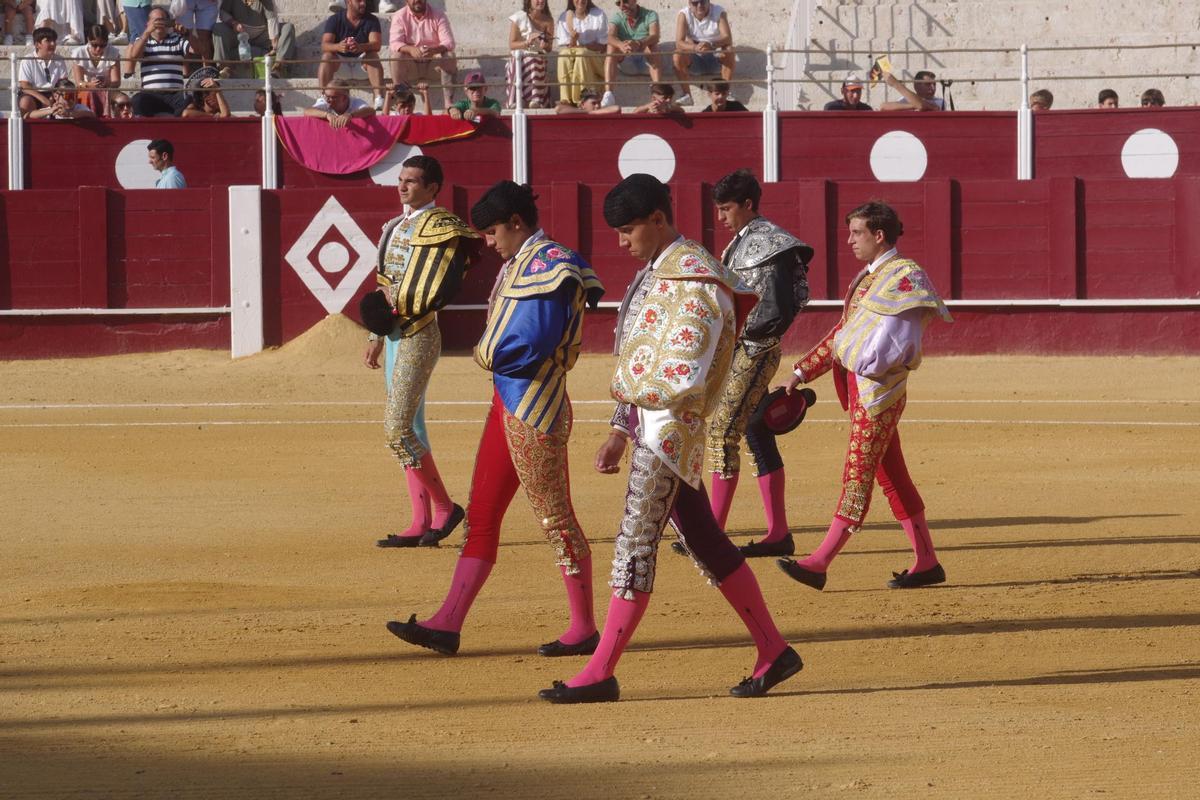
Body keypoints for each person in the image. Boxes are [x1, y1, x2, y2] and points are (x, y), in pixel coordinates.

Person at [538, 174, 802, 704]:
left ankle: (601, 669)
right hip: (651, 426)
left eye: (629, 228)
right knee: (706, 540)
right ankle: (774, 650)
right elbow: (640, 355)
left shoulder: (699, 282)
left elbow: (683, 371)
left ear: (659, 219)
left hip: (670, 431)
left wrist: (634, 416)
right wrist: (621, 426)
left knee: (635, 543)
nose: (621, 241)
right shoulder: (660, 275)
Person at [387, 181, 605, 659]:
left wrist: (486, 355)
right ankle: (448, 623)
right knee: (481, 514)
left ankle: (585, 626)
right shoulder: (521, 262)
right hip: (505, 403)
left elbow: (535, 342)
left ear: (517, 224)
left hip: (536, 406)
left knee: (555, 516)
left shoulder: (551, 265)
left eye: (491, 232)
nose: (488, 242)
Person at [777, 200, 952, 591]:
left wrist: (865, 367)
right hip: (862, 390)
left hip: (878, 393)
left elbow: (898, 346)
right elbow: (843, 334)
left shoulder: (905, 275)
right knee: (894, 478)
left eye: (857, 233)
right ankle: (927, 561)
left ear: (879, 235)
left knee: (857, 473)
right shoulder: (869, 277)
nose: (850, 240)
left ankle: (820, 562)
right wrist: (802, 371)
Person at [364, 156, 477, 550]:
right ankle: (419, 519)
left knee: (399, 427)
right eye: (401, 179)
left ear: (433, 188)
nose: (403, 186)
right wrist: (375, 335)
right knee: (410, 428)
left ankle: (444, 509)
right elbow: (386, 282)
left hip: (418, 332)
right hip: (394, 335)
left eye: (412, 181)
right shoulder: (394, 226)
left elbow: (434, 287)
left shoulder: (441, 226)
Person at [702, 169, 813, 558]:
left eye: (726, 208)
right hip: (741, 347)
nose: (721, 217)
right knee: (755, 431)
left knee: (721, 433)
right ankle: (778, 533)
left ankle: (711, 535)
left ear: (748, 205)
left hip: (753, 348)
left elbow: (779, 306)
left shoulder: (770, 243)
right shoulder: (745, 241)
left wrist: (745, 341)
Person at [388, 0, 458, 111]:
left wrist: (434, 50)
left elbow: (449, 42)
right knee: (396, 56)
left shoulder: (438, 14)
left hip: (433, 65)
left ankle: (448, 103)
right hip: (411, 66)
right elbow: (394, 43)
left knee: (449, 55)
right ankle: (402, 101)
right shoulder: (399, 16)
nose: (417, 0)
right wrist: (410, 49)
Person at [127, 5, 193, 118]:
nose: (159, 23)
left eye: (162, 20)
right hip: (151, 94)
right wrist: (147, 32)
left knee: (191, 100)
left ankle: (175, 121)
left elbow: (196, 50)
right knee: (137, 100)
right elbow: (134, 55)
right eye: (155, 20)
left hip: (175, 94)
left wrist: (187, 33)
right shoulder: (143, 41)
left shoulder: (177, 39)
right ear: (148, 23)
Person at [318, 0, 384, 111]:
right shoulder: (335, 19)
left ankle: (378, 97)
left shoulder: (372, 19)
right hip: (340, 64)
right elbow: (325, 45)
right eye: (359, 0)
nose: (363, 3)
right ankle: (323, 98)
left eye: (364, 0)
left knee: (373, 55)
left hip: (361, 63)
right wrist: (338, 47)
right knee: (327, 57)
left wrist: (360, 47)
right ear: (348, 2)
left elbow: (376, 45)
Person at [212, 0, 295, 78]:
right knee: (219, 28)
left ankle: (278, 67)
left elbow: (272, 20)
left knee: (288, 28)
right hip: (238, 34)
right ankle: (225, 68)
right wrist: (234, 23)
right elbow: (223, 12)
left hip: (262, 35)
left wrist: (274, 44)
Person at [671, 0, 732, 107]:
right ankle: (687, 95)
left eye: (703, 1)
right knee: (677, 54)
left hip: (715, 54)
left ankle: (725, 91)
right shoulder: (684, 14)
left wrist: (711, 44)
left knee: (729, 49)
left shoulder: (719, 11)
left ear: (709, 2)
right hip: (694, 57)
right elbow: (679, 42)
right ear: (689, 4)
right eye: (695, 3)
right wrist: (695, 47)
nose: (700, 5)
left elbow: (727, 37)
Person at [602, 0, 660, 108]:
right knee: (611, 47)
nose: (621, 6)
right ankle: (608, 93)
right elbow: (609, 36)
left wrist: (639, 43)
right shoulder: (618, 16)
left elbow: (655, 36)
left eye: (625, 1)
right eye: (618, 3)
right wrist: (621, 45)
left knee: (653, 46)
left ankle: (658, 91)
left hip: (646, 60)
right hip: (626, 60)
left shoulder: (650, 14)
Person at [554, 0, 605, 105]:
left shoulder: (598, 14)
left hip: (596, 59)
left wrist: (583, 46)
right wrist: (573, 38)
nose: (580, 1)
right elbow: (568, 47)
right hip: (577, 54)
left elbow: (603, 45)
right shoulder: (564, 17)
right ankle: (566, 99)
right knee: (563, 54)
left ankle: (582, 98)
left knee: (581, 53)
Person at [505, 0, 553, 109]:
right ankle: (515, 100)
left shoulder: (548, 21)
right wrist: (527, 42)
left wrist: (544, 45)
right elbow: (512, 44)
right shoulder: (519, 17)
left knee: (534, 59)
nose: (540, 1)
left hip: (537, 56)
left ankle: (535, 99)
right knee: (521, 59)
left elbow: (549, 48)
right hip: (520, 55)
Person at [70, 24, 121, 117]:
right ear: (88, 40)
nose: (98, 49)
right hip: (86, 89)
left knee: (117, 97)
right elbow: (79, 82)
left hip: (107, 89)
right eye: (94, 45)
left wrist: (107, 83)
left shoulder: (113, 52)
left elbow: (116, 81)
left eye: (102, 45)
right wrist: (90, 85)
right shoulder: (78, 53)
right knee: (90, 93)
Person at [16, 27, 69, 117]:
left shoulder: (59, 59)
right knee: (25, 102)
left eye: (54, 41)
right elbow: (25, 86)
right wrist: (44, 100)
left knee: (65, 99)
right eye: (48, 41)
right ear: (37, 44)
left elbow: (63, 82)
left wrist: (56, 95)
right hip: (33, 94)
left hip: (54, 93)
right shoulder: (27, 60)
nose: (53, 44)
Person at [303, 78, 375, 128]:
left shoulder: (355, 102)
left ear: (344, 97)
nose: (328, 100)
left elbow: (371, 111)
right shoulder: (324, 101)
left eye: (333, 97)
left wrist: (350, 115)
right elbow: (307, 111)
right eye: (327, 96)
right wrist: (327, 115)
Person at [173, 0, 218, 65]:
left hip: (207, 3)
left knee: (205, 36)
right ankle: (184, 72)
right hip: (184, 2)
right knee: (183, 33)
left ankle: (207, 71)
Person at [26, 77, 95, 118]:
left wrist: (69, 114)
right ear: (56, 96)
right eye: (67, 96)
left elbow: (91, 114)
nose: (71, 100)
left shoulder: (78, 108)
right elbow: (28, 115)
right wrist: (49, 111)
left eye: (73, 96)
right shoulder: (52, 110)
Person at [879, 68, 943, 112]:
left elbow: (921, 105)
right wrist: (913, 105)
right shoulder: (907, 99)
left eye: (934, 84)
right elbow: (883, 107)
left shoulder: (939, 101)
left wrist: (896, 84)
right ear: (916, 85)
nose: (933, 88)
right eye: (927, 84)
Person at [554, 86, 619, 115]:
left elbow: (616, 108)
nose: (597, 106)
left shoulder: (601, 110)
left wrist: (591, 112)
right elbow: (558, 109)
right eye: (593, 103)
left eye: (599, 102)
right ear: (582, 104)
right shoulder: (578, 112)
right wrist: (586, 112)